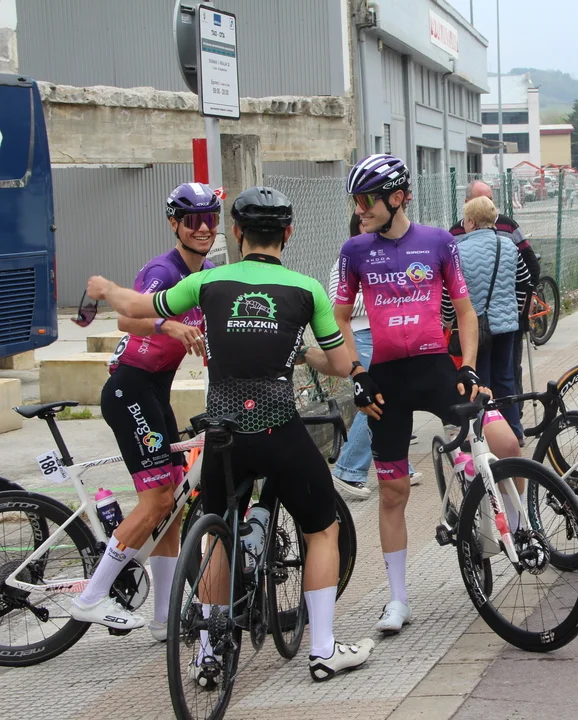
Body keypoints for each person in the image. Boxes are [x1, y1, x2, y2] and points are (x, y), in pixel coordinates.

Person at [86, 186, 374, 684]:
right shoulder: (307, 289)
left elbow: (135, 305)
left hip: (223, 434)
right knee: (322, 530)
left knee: (216, 534)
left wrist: (105, 288)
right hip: (278, 428)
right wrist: (304, 353)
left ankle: (208, 654)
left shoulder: (207, 281)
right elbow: (341, 363)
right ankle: (324, 649)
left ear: (237, 233)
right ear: (288, 233)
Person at [335, 154, 522, 634]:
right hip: (386, 382)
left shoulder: (440, 242)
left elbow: (466, 311)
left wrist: (470, 366)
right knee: (393, 492)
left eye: (366, 200)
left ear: (397, 198)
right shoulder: (355, 251)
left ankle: (521, 531)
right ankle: (398, 599)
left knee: (506, 444)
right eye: (356, 201)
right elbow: (338, 319)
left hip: (439, 370)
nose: (359, 209)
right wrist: (356, 372)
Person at [68, 183, 215, 640]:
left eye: (211, 218)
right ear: (174, 224)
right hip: (130, 389)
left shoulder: (209, 272)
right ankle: (90, 598)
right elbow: (126, 318)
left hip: (155, 392)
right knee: (156, 501)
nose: (204, 228)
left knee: (172, 505)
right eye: (193, 220)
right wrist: (167, 324)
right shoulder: (163, 269)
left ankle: (163, 619)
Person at [327, 212, 419, 501]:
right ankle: (347, 470)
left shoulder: (389, 258)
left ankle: (398, 465)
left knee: (392, 398)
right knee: (375, 399)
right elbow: (336, 304)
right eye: (365, 227)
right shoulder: (347, 260)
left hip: (390, 334)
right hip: (361, 335)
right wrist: (379, 297)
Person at [449, 180, 540, 442]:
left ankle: (485, 436)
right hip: (506, 324)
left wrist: (448, 320)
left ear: (471, 221)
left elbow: (448, 292)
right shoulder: (508, 246)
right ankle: (514, 431)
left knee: (480, 381)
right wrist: (516, 311)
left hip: (474, 326)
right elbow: (524, 281)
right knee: (505, 378)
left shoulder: (458, 251)